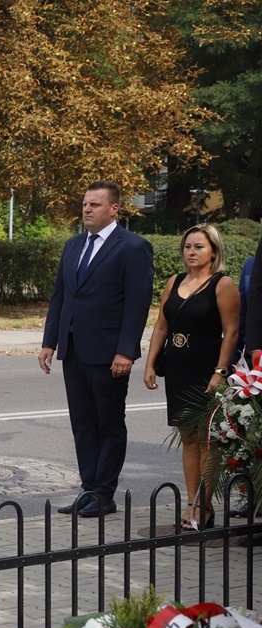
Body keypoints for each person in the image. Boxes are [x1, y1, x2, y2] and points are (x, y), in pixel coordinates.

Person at [39, 180, 154, 517]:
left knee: (108, 423)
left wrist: (126, 351)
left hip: (108, 354)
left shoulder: (132, 247)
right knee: (83, 423)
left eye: (95, 204)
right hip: (73, 350)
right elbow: (60, 295)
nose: (87, 209)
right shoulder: (73, 245)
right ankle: (89, 489)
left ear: (114, 209)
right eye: (85, 203)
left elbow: (137, 304)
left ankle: (105, 493)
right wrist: (50, 342)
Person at [143, 224, 237, 530]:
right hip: (179, 371)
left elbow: (231, 331)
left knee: (209, 441)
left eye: (199, 247)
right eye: (187, 247)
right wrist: (149, 363)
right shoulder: (175, 281)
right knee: (188, 439)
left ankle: (204, 506)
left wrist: (220, 371)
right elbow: (161, 326)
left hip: (207, 369)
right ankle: (191, 502)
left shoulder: (222, 284)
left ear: (213, 251)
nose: (191, 252)